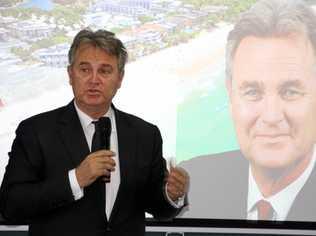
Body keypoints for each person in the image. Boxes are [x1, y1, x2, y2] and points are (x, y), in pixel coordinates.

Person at [0, 29, 189, 236]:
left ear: (120, 78)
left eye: (105, 71)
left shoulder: (145, 134)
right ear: (70, 74)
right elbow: (11, 206)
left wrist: (172, 195)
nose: (94, 80)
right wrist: (76, 179)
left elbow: (157, 206)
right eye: (84, 69)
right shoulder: (35, 131)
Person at [179, 0, 316, 222]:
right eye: (252, 92)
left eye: (290, 92)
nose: (271, 116)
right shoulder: (194, 182)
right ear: (230, 95)